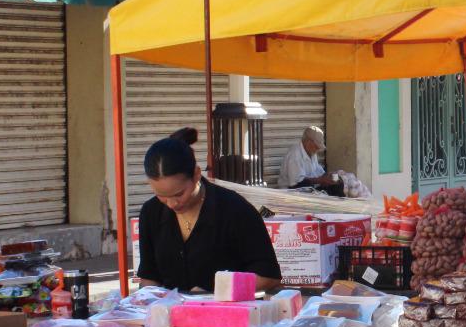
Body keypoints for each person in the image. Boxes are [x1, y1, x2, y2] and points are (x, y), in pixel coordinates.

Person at [137, 127, 282, 292]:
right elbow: (150, 277)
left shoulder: (235, 210)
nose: (171, 203)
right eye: (161, 195)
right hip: (170, 314)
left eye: (179, 194)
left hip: (228, 313)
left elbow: (269, 276)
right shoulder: (151, 212)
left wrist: (217, 292)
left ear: (197, 174)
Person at [280, 125, 337, 191]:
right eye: (317, 146)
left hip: (308, 188)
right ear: (308, 142)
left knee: (336, 186)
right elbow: (297, 183)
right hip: (291, 192)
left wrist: (329, 176)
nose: (318, 149)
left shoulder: (312, 152)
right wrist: (321, 180)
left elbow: (318, 171)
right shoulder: (294, 155)